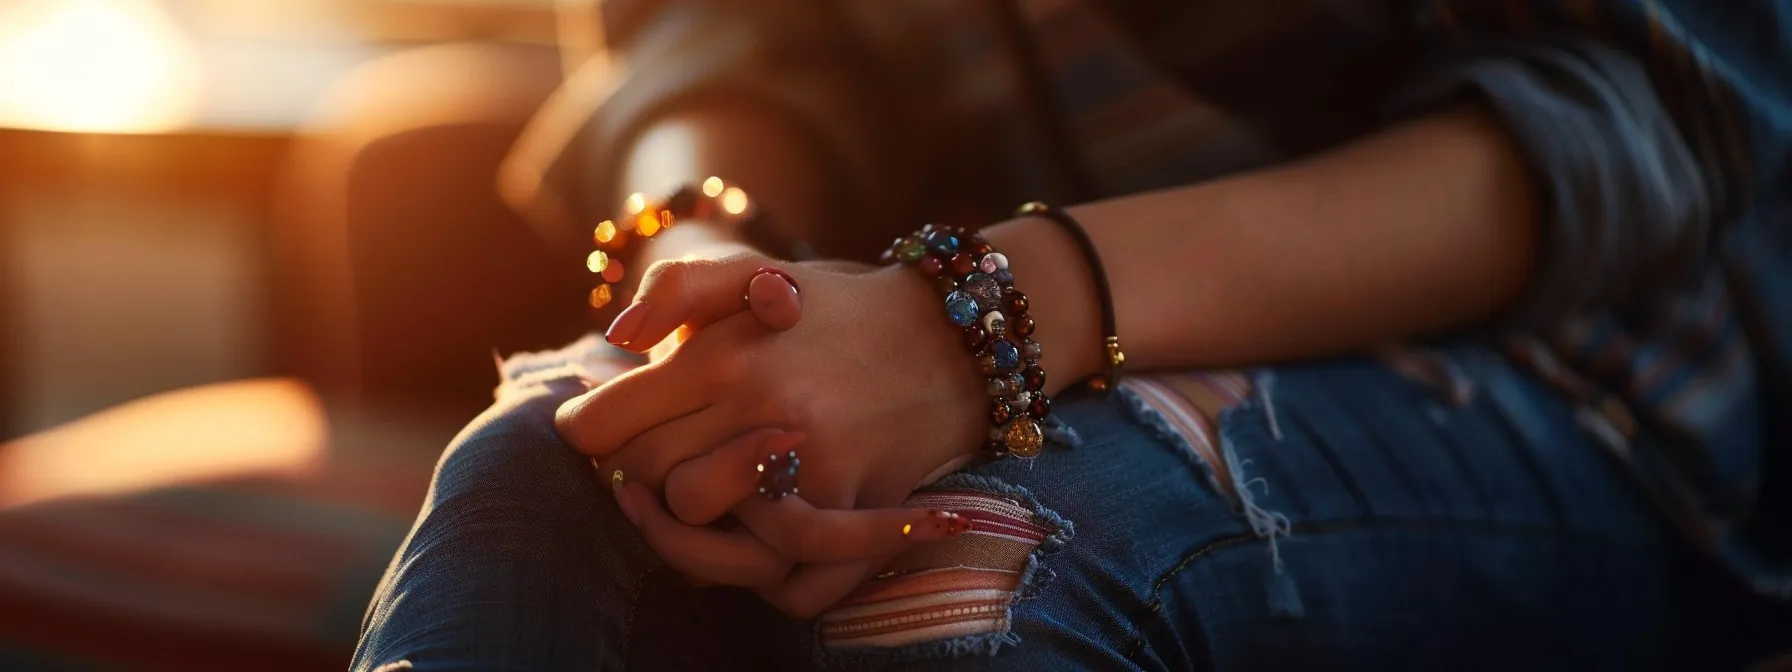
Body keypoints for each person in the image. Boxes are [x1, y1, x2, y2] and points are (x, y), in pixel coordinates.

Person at [353, 1, 1792, 669]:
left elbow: (1645, 108)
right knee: (551, 462)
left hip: (1572, 373)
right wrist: (714, 273)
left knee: (988, 576)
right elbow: (724, 39)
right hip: (962, 324)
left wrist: (974, 320)